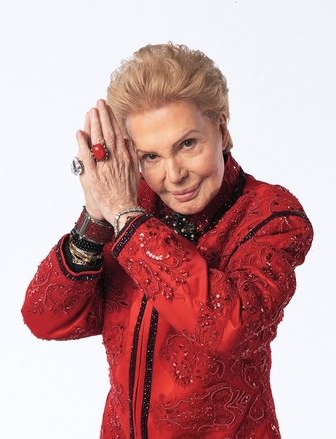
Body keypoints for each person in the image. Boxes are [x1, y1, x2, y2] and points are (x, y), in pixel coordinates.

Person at [22, 43, 314, 438]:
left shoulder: (270, 215)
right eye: (151, 157)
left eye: (187, 144)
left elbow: (230, 327)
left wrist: (126, 218)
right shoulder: (132, 208)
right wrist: (95, 218)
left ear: (222, 129)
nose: (174, 175)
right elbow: (47, 319)